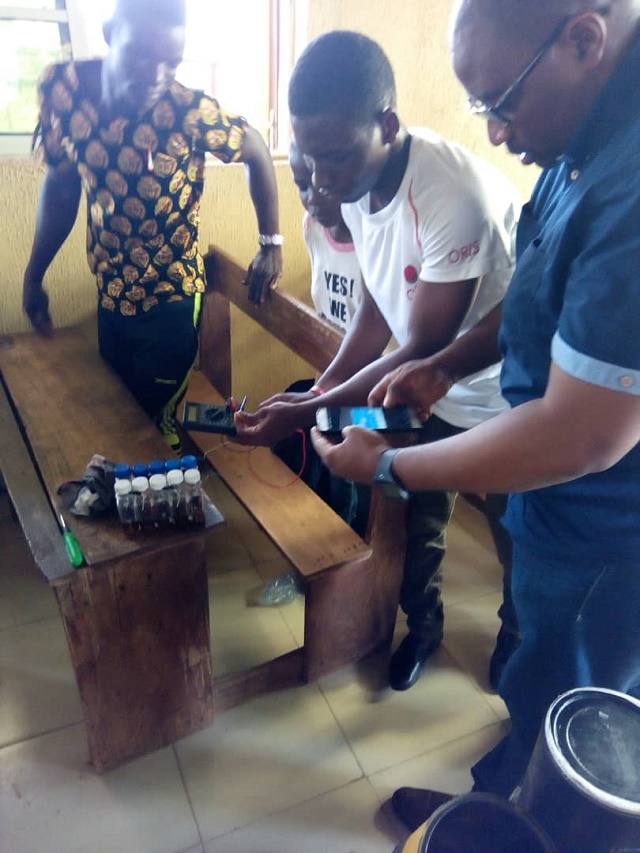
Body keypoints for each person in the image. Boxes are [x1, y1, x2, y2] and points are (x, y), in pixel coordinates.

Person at [310, 0, 640, 826]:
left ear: (583, 39)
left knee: (581, 738)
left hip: (604, 531)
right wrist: (442, 367)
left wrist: (386, 462)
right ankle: (499, 802)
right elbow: (537, 298)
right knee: (533, 685)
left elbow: (582, 434)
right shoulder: (583, 138)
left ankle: (525, 825)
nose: (494, 131)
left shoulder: (632, 187)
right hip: (557, 506)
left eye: (500, 101)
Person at [236, 30, 521, 692]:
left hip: (508, 401)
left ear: (386, 124)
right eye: (311, 160)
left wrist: (309, 408)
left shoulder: (451, 196)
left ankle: (516, 634)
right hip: (432, 396)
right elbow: (374, 316)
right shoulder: (359, 182)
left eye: (336, 157)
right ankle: (423, 627)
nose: (326, 179)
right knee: (418, 526)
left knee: (517, 542)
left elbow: (421, 343)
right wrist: (318, 389)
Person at [23, 0, 283, 453]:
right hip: (111, 295)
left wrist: (271, 242)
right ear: (109, 32)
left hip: (171, 301)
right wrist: (34, 273)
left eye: (171, 62)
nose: (156, 76)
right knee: (118, 415)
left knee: (149, 429)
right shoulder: (65, 91)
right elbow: (62, 184)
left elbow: (256, 148)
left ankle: (166, 503)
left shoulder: (187, 112)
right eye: (143, 54)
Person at [271, 140, 370, 536]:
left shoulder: (378, 239)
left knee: (335, 442)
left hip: (376, 391)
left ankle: (343, 553)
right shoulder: (313, 228)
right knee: (301, 425)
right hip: (334, 378)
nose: (312, 198)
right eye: (301, 184)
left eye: (325, 186)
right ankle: (319, 549)